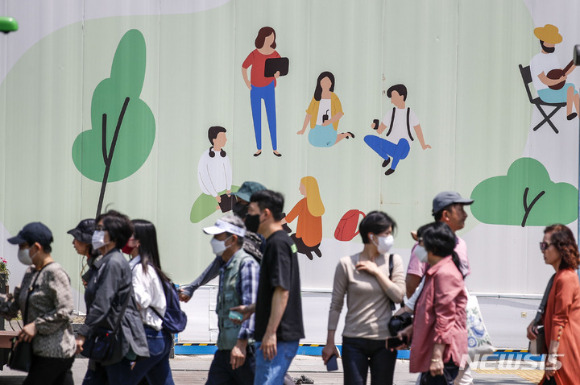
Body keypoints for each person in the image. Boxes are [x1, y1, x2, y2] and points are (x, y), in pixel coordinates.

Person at [322, 211, 405, 385]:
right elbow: (336, 305)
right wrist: (330, 341)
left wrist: (376, 272)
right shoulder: (346, 264)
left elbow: (398, 296)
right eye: (386, 234)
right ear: (371, 236)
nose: (389, 239)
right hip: (354, 340)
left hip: (384, 341)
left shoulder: (393, 261)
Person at [231, 189, 305, 385]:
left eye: (251, 212)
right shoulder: (277, 242)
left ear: (265, 214)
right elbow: (275, 291)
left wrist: (271, 333)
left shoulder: (277, 244)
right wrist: (251, 309)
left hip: (278, 336)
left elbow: (282, 291)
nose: (247, 217)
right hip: (277, 334)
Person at [405, 191, 474, 385]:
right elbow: (413, 286)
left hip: (447, 337)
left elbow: (446, 312)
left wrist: (436, 353)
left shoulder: (447, 268)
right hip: (440, 336)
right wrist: (418, 324)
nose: (466, 214)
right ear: (445, 215)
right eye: (460, 209)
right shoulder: (429, 252)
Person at [77, 210, 149, 384]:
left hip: (116, 341)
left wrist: (82, 333)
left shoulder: (114, 262)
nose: (96, 233)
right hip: (104, 339)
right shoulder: (106, 261)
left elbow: (102, 303)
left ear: (114, 235)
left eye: (101, 229)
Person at [0, 222, 76, 385]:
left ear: (36, 247)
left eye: (23, 246)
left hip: (55, 351)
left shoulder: (55, 273)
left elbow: (65, 310)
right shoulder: (31, 272)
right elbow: (13, 308)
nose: (20, 251)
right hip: (37, 350)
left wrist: (36, 326)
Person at [397, 221, 467, 385]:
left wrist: (437, 356)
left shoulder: (445, 274)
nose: (418, 247)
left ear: (433, 246)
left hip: (443, 353)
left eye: (420, 243)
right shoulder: (435, 272)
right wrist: (411, 329)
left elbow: (445, 318)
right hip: (435, 348)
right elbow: (431, 311)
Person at [180, 181, 267, 302]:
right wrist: (191, 287)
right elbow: (219, 261)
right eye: (237, 200)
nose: (237, 205)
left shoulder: (266, 236)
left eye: (242, 202)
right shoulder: (242, 229)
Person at [201, 216, 260, 384]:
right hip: (225, 350)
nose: (213, 241)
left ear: (232, 239)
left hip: (245, 352)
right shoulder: (226, 267)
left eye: (217, 237)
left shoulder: (247, 265)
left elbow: (251, 308)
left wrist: (241, 343)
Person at [526, 224, 580, 384]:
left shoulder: (566, 278)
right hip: (559, 355)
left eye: (545, 245)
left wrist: (553, 356)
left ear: (561, 247)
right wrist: (534, 323)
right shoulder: (558, 277)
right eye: (541, 245)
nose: (543, 250)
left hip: (564, 356)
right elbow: (551, 311)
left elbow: (560, 319)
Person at [124, 219, 175, 385]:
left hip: (147, 336)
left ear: (138, 242)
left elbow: (140, 300)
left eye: (128, 235)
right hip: (158, 337)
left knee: (124, 380)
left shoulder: (139, 269)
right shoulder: (146, 267)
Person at [365, 84, 431, 175]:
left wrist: (423, 145)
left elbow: (418, 131)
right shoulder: (390, 113)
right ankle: (386, 158)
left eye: (393, 97)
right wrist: (375, 127)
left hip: (403, 149)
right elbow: (380, 131)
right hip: (391, 146)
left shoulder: (410, 113)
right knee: (368, 138)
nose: (392, 100)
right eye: (391, 98)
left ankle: (393, 167)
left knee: (403, 141)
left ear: (402, 96)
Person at [242, 26, 282, 157]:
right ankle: (259, 147)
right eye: (269, 37)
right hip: (255, 89)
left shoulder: (275, 54)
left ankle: (275, 148)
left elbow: (279, 70)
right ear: (262, 37)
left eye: (273, 37)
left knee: (272, 117)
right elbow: (244, 67)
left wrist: (277, 75)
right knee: (256, 118)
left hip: (269, 88)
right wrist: (247, 82)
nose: (271, 39)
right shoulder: (254, 53)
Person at [529, 24, 579, 120]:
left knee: (573, 90)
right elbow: (546, 81)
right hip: (545, 92)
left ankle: (575, 116)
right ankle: (569, 114)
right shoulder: (537, 60)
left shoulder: (553, 57)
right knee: (571, 89)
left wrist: (574, 64)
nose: (553, 44)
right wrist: (560, 80)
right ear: (543, 41)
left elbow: (562, 73)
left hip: (555, 89)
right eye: (550, 41)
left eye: (554, 42)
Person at [297, 71, 353, 147]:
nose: (325, 84)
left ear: (331, 83)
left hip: (329, 126)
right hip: (316, 126)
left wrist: (329, 121)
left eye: (328, 82)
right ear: (319, 83)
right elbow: (309, 114)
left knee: (328, 143)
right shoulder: (316, 97)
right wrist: (303, 129)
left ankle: (344, 135)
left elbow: (339, 113)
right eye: (323, 81)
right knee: (313, 142)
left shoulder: (334, 97)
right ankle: (342, 135)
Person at [284, 176, 325, 260]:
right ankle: (315, 249)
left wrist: (277, 222)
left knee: (291, 238)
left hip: (305, 242)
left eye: (301, 186)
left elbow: (288, 218)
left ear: (307, 188)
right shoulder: (318, 203)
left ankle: (296, 252)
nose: (299, 189)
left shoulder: (303, 203)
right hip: (317, 242)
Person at [197, 125, 233, 208]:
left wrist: (228, 188)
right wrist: (215, 195)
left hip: (223, 191)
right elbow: (204, 177)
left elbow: (228, 172)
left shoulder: (224, 155)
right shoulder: (205, 156)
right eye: (222, 137)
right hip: (210, 192)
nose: (225, 140)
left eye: (225, 137)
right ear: (214, 140)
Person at [67, 218, 96, 287]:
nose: (73, 242)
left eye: (76, 238)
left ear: (87, 242)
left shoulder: (100, 264)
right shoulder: (96, 262)